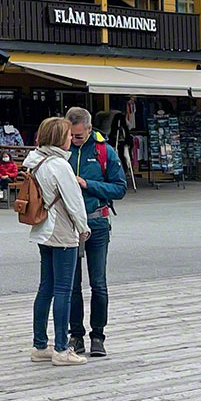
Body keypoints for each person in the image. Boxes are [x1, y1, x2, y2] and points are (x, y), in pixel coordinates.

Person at [23, 117, 90, 367]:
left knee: (46, 288)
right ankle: (62, 349)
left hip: (43, 229)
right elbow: (74, 202)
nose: (71, 138)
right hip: (61, 230)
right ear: (59, 138)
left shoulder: (36, 161)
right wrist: (83, 228)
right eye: (68, 135)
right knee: (63, 289)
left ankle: (40, 345)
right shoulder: (60, 165)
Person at [65, 106, 127, 359]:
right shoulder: (62, 150)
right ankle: (76, 335)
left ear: (90, 129)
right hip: (68, 225)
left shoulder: (104, 151)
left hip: (97, 223)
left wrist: (87, 184)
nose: (73, 140)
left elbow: (120, 188)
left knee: (98, 284)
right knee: (71, 285)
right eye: (70, 135)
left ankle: (98, 336)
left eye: (78, 136)